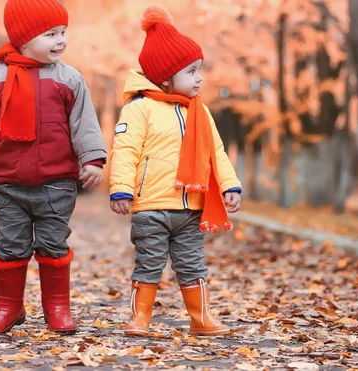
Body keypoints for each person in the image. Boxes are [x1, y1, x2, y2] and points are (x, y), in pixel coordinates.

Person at [0, 0, 107, 336]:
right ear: (23, 39)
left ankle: (57, 308)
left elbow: (84, 124)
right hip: (9, 184)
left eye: (63, 32)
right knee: (10, 245)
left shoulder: (69, 79)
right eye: (50, 34)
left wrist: (92, 159)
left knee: (53, 244)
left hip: (57, 183)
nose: (61, 40)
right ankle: (8, 306)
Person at [109, 6, 242, 337]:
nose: (199, 78)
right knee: (149, 264)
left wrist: (230, 186)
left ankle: (201, 319)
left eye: (200, 70)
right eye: (191, 71)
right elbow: (125, 150)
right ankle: (140, 319)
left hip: (190, 208)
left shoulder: (201, 110)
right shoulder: (139, 108)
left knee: (192, 265)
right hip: (151, 206)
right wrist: (121, 189)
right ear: (166, 77)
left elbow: (216, 153)